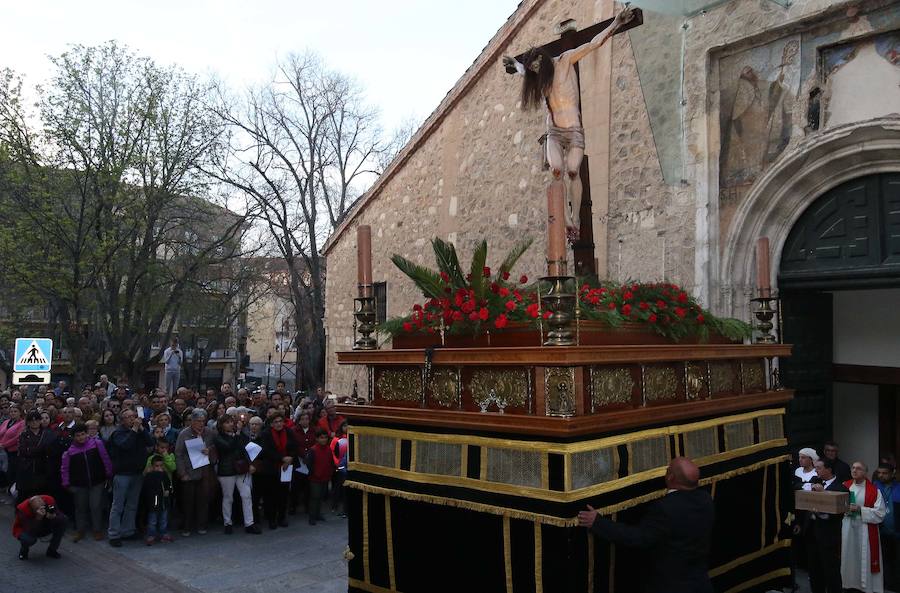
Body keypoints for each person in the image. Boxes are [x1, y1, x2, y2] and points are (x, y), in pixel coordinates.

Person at [503, 6, 634, 241]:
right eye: (532, 68)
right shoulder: (538, 78)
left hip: (574, 130)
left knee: (573, 172)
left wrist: (616, 24)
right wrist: (516, 63)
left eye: (536, 66)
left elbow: (592, 44)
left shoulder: (564, 61)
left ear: (544, 61)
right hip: (553, 131)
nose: (534, 70)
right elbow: (523, 71)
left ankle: (577, 216)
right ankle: (566, 220)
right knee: (556, 171)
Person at [577, 457, 714, 593]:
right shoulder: (706, 499)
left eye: (668, 469)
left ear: (670, 477)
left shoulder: (666, 508)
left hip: (670, 586)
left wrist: (598, 522)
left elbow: (638, 538)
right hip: (699, 583)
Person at [106, 409, 154, 547]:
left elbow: (150, 442)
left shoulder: (139, 431)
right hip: (122, 474)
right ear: (122, 420)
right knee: (118, 505)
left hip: (137, 473)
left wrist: (142, 429)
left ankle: (128, 530)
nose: (132, 419)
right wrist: (134, 430)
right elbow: (125, 445)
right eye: (128, 417)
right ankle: (114, 533)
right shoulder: (118, 433)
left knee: (132, 504)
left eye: (133, 416)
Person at [60, 423, 113, 542]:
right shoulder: (70, 451)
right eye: (78, 435)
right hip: (79, 484)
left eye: (83, 434)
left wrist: (108, 474)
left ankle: (97, 530)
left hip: (97, 482)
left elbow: (105, 458)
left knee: (95, 506)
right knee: (80, 508)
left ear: (87, 433)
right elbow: (65, 468)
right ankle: (80, 530)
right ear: (73, 437)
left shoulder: (96, 444)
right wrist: (66, 483)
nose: (81, 437)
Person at [804, 457, 848, 593]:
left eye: (818, 468)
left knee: (831, 571)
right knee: (814, 570)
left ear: (828, 469)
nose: (815, 470)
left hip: (828, 536)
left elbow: (840, 512)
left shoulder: (841, 487)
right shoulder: (813, 481)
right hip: (811, 533)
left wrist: (824, 494)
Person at [841, 461, 886, 593]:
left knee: (864, 558)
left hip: (865, 530)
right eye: (853, 468)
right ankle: (848, 584)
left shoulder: (874, 491)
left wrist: (861, 509)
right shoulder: (845, 486)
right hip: (847, 527)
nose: (855, 470)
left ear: (865, 472)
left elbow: (880, 513)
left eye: (859, 469)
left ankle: (866, 587)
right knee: (848, 556)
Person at [213, 415, 260, 534]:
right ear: (221, 425)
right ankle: (227, 523)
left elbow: (245, 449)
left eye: (231, 422)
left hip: (241, 470)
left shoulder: (239, 436)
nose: (230, 424)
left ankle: (249, 523)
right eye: (227, 422)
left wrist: (250, 464)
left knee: (246, 495)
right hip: (227, 471)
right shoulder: (219, 438)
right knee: (228, 497)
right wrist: (238, 434)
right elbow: (228, 447)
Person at [174, 408, 216, 537]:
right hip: (189, 471)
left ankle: (202, 524)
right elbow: (178, 454)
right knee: (188, 501)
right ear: (192, 421)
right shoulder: (184, 434)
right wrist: (182, 473)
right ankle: (187, 526)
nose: (201, 424)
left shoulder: (209, 433)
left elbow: (215, 447)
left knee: (203, 499)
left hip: (204, 471)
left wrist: (209, 450)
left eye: (203, 421)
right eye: (198, 421)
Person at [257, 412, 298, 530]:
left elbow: (294, 447)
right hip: (271, 468)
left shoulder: (289, 432)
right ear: (271, 424)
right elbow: (266, 450)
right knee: (271, 495)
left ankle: (282, 517)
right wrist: (281, 458)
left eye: (281, 421)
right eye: (276, 422)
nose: (279, 424)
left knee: (283, 494)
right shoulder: (266, 434)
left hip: (286, 467)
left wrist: (290, 458)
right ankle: (271, 519)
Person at [15, 411, 57, 504]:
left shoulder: (47, 434)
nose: (34, 422)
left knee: (42, 498)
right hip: (27, 470)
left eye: (37, 420)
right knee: (23, 498)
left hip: (42, 470)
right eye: (31, 420)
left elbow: (51, 450)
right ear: (28, 422)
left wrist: (34, 450)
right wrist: (40, 449)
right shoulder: (24, 434)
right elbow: (24, 451)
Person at [13, 494, 66, 560]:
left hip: (45, 525)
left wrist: (54, 516)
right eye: (37, 509)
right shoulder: (23, 510)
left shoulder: (49, 501)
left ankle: (52, 550)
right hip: (28, 529)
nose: (42, 510)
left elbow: (61, 516)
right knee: (28, 539)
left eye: (43, 507)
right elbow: (30, 531)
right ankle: (24, 550)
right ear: (31, 507)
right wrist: (38, 518)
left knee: (62, 522)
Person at [874, 463, 899, 591]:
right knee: (883, 559)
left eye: (885, 473)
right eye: (879, 473)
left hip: (897, 532)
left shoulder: (898, 487)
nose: (881, 475)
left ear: (892, 473)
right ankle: (885, 584)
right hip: (880, 530)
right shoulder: (875, 487)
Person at [306, 428, 336, 526]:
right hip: (315, 478)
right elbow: (309, 464)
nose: (324, 440)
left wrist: (330, 472)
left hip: (325, 477)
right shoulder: (313, 450)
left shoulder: (328, 449)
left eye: (325, 438)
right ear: (317, 439)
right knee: (314, 497)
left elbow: (331, 462)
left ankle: (318, 514)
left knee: (321, 497)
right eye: (321, 438)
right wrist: (315, 473)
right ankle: (312, 516)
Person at [141, 455, 172, 545]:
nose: (159, 468)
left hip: (164, 501)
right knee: (152, 520)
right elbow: (146, 489)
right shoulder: (149, 476)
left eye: (161, 466)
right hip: (153, 501)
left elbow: (169, 484)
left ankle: (163, 533)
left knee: (163, 519)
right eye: (157, 466)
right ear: (152, 467)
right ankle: (151, 535)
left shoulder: (165, 475)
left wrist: (168, 490)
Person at [0, 404, 25, 492]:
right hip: (2, 451)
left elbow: (18, 437)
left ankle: (11, 489)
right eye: (11, 411)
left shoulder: (22, 423)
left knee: (11, 471)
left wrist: (4, 445)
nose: (13, 413)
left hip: (13, 452)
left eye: (15, 411)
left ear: (20, 413)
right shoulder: (6, 422)